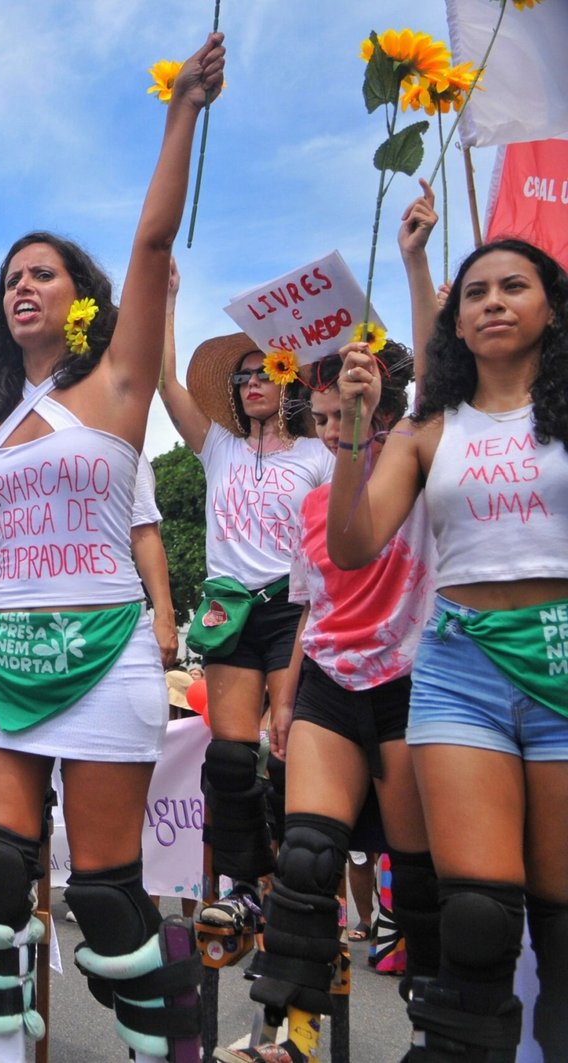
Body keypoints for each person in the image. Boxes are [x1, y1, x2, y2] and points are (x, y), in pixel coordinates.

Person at [0, 32, 224, 1063]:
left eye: (41, 273)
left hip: (106, 655)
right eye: (11, 277)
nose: (22, 286)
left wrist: (180, 112)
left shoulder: (119, 386)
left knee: (102, 891)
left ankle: (158, 1049)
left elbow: (151, 242)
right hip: (5, 655)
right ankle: (3, 1053)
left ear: (76, 293)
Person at [328, 238, 568, 1060]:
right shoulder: (428, 428)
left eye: (514, 286)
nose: (493, 301)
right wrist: (353, 428)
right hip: (461, 671)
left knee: (562, 930)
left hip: (562, 659)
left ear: (551, 309)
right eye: (475, 293)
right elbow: (352, 544)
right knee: (476, 918)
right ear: (455, 323)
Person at [226, 344, 437, 1060]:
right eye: (317, 418)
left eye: (342, 415)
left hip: (406, 685)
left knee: (419, 883)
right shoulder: (313, 503)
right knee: (307, 860)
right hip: (327, 682)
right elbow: (308, 608)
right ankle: (292, 1037)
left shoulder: (419, 474)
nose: (328, 430)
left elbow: (440, 397)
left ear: (386, 409)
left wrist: (420, 287)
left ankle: (431, 1035)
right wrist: (285, 701)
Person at [157, 264, 333, 930]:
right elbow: (165, 382)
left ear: (289, 381)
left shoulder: (317, 456)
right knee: (230, 760)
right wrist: (169, 299)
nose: (253, 382)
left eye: (266, 372)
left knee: (286, 756)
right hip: (229, 609)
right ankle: (245, 886)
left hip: (293, 609)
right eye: (242, 377)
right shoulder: (218, 448)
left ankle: (297, 887)